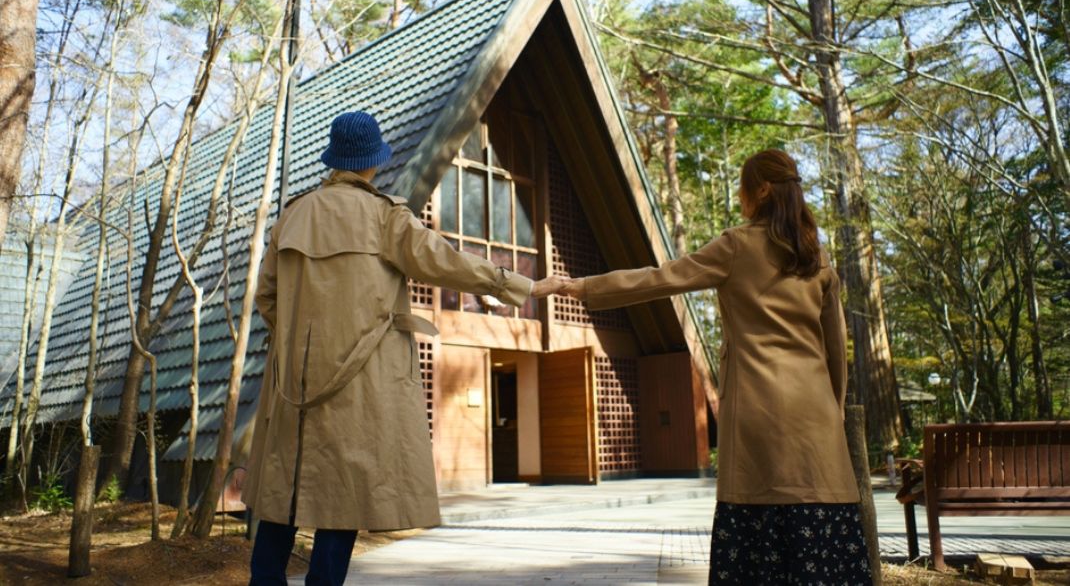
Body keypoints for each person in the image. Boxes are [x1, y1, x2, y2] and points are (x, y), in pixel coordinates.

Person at [243, 110, 557, 585]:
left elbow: (267, 296)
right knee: (342, 499)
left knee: (281, 495)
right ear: (372, 163)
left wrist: (301, 335)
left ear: (334, 159)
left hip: (295, 385)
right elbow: (445, 261)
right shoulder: (384, 216)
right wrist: (520, 285)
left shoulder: (294, 214)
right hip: (359, 383)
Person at [550, 149, 869, 585]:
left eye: (742, 187)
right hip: (817, 426)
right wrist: (830, 413)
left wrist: (581, 285)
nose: (740, 197)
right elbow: (836, 352)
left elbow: (659, 278)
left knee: (757, 557)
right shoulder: (818, 257)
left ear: (759, 190)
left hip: (760, 418)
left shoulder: (737, 245)